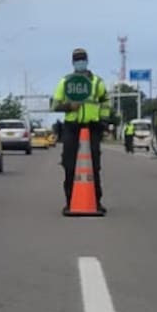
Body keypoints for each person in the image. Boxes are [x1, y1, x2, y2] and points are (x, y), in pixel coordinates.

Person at [51, 47, 109, 214]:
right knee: (69, 165)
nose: (80, 62)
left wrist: (104, 122)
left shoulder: (97, 82)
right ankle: (70, 201)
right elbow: (55, 105)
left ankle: (96, 201)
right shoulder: (65, 82)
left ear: (87, 61)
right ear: (73, 63)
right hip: (72, 127)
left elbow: (105, 103)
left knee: (94, 166)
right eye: (77, 60)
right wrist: (70, 106)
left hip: (93, 127)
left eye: (82, 59)